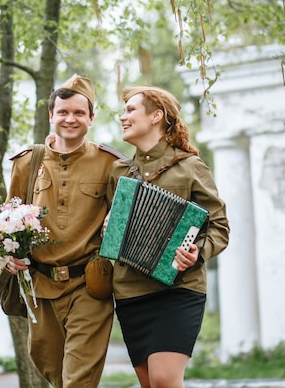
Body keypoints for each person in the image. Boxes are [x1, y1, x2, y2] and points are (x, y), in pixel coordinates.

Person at [103, 85, 230, 388]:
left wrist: (198, 251)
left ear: (156, 115)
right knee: (151, 385)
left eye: (131, 110)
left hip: (179, 289)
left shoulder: (189, 167)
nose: (123, 117)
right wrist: (107, 227)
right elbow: (108, 231)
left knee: (164, 381)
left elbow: (219, 227)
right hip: (130, 293)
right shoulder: (118, 172)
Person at [5, 74, 118, 388]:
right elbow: (9, 218)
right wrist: (11, 254)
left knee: (78, 380)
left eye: (80, 113)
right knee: (52, 370)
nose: (71, 119)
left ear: (91, 118)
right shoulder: (27, 162)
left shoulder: (111, 164)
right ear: (51, 115)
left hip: (90, 286)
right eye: (64, 112)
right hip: (41, 287)